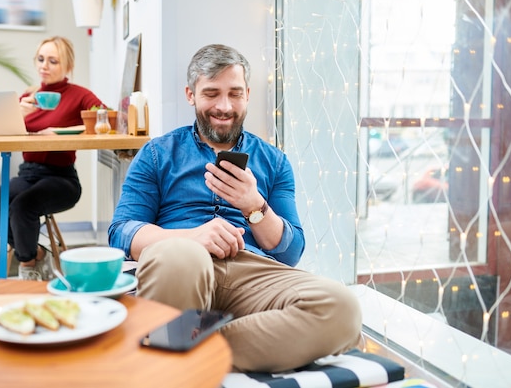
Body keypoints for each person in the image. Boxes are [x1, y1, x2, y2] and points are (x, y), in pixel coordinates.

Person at [108, 44, 362, 372]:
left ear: (247, 95)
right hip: (178, 265)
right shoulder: (157, 154)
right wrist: (189, 238)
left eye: (235, 94)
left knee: (342, 309)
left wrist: (254, 205)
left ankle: (188, 349)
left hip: (251, 271)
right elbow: (121, 232)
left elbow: (291, 251)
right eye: (211, 93)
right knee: (183, 256)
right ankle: (178, 355)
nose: (224, 106)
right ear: (190, 94)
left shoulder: (274, 161)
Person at [0, 36, 106, 281]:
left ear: (67, 66)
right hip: (27, 174)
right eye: (41, 59)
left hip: (61, 177)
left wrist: (64, 132)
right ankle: (36, 253)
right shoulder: (27, 97)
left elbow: (106, 119)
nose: (44, 65)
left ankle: (28, 267)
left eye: (53, 61)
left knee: (22, 206)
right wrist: (16, 113)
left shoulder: (79, 95)